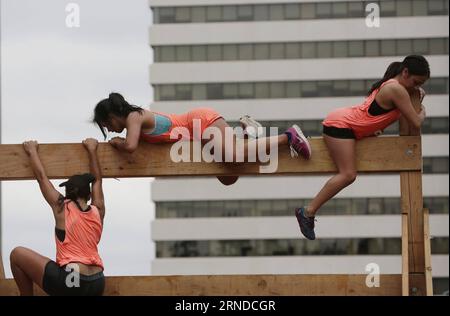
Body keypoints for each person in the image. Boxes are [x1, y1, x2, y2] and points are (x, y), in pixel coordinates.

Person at [295, 55, 429, 240]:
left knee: (348, 174)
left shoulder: (394, 87)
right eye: (415, 82)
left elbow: (380, 116)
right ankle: (307, 212)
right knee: (348, 174)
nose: (416, 87)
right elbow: (415, 122)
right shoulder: (396, 89)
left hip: (346, 125)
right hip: (341, 125)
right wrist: (422, 112)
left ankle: (308, 212)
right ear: (405, 72)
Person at [92, 93, 312, 185]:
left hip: (197, 122)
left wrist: (118, 143)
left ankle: (288, 136)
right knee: (229, 178)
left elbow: (130, 146)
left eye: (107, 126)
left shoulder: (134, 117)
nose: (110, 131)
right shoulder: (135, 122)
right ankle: (245, 134)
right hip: (197, 137)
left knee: (234, 157)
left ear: (112, 116)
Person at [9, 138, 106, 296]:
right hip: (97, 281)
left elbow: (42, 178)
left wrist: (32, 151)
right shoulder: (98, 210)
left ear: (67, 194)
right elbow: (97, 181)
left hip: (73, 277)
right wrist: (92, 150)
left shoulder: (62, 207)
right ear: (88, 195)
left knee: (17, 254)